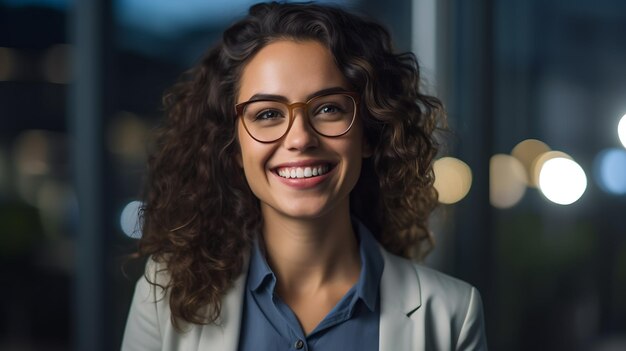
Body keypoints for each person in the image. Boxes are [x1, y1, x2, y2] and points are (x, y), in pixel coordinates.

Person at [121, 2, 487, 350]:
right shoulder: (164, 297)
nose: (300, 138)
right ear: (232, 147)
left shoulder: (453, 313)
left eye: (329, 108)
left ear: (371, 133)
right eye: (267, 114)